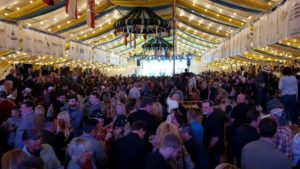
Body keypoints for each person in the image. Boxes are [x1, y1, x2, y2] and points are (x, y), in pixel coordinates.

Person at [202, 100, 225, 169]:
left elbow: (215, 139)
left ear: (212, 107)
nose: (203, 109)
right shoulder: (205, 116)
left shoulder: (215, 119)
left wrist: (208, 148)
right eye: (202, 107)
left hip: (215, 149)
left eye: (205, 107)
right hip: (209, 148)